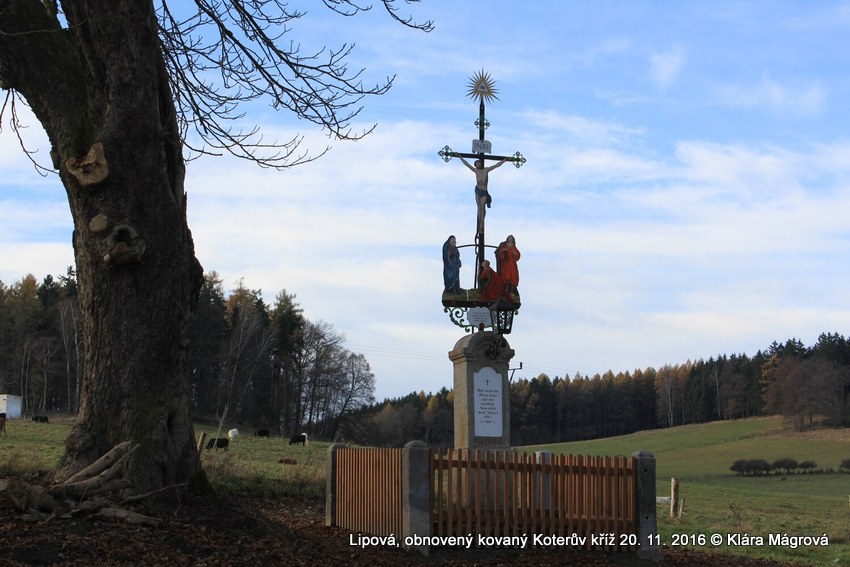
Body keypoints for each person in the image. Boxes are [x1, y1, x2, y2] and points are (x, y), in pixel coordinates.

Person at [459, 155, 509, 236]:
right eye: (476, 164)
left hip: (484, 191)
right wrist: (460, 157)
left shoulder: (486, 169)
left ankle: (481, 224)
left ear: (480, 163)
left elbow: (496, 165)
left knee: (482, 207)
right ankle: (480, 225)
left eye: (478, 163)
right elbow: (467, 164)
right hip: (478, 190)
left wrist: (504, 160)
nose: (477, 165)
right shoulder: (476, 170)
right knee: (479, 208)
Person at [496, 234, 520, 300]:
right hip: (506, 264)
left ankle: (511, 291)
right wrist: (504, 252)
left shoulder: (513, 246)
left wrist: (512, 250)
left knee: (514, 277)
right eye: (509, 237)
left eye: (511, 238)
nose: (510, 239)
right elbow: (500, 254)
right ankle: (506, 290)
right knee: (507, 277)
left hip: (512, 264)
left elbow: (517, 254)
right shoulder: (504, 245)